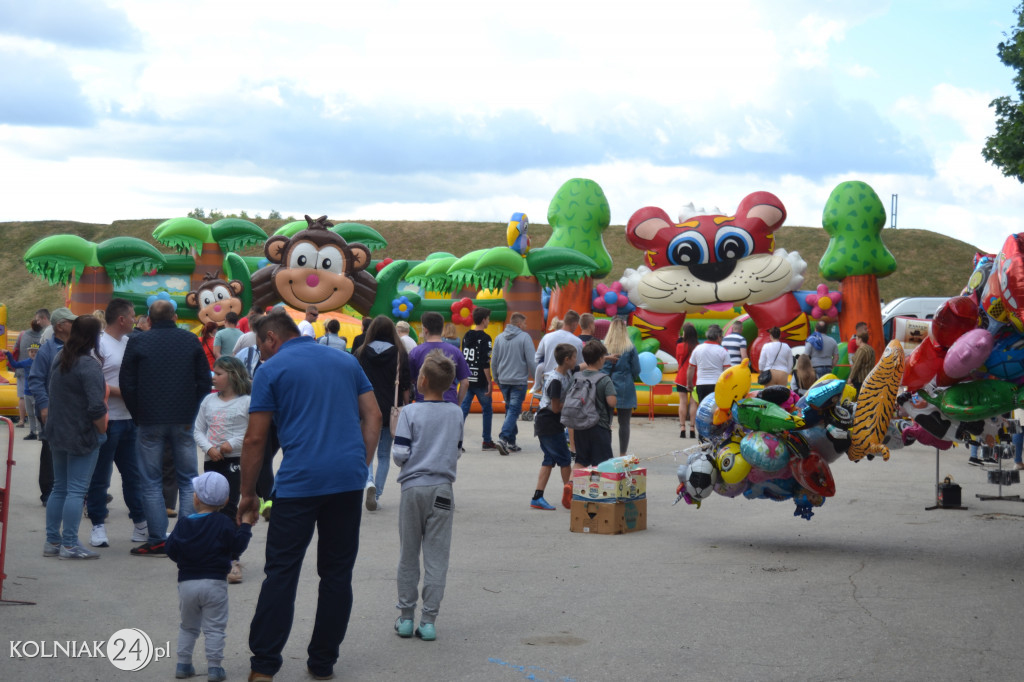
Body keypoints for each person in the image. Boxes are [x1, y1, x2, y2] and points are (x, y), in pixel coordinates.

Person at [237, 310, 382, 681]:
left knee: (281, 573)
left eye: (261, 347)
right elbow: (375, 416)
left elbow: (255, 438)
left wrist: (248, 494)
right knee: (336, 574)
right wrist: (358, 464)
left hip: (299, 484)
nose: (261, 355)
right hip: (346, 482)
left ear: (271, 338)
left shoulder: (271, 370)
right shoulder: (346, 360)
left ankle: (264, 667)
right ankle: (322, 662)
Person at [120, 299, 212, 557]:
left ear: (149, 318)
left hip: (149, 419)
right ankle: (184, 536)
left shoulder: (138, 342)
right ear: (174, 317)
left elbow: (127, 383)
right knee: (188, 478)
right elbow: (204, 380)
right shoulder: (190, 340)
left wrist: (138, 413)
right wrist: (195, 411)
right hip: (184, 418)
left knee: (150, 481)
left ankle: (158, 538)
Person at [391, 350, 463, 642]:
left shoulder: (409, 412)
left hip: (412, 489)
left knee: (409, 554)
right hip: (443, 490)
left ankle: (406, 618)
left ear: (421, 380)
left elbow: (399, 454)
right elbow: (456, 450)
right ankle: (429, 620)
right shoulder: (455, 412)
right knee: (437, 557)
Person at [166, 471, 254, 682]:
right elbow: (237, 547)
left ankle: (183, 664)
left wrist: (185, 561)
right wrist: (246, 526)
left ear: (195, 498)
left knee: (188, 626)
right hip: (215, 583)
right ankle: (214, 668)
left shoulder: (184, 523)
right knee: (214, 627)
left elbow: (170, 549)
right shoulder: (224, 523)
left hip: (187, 584)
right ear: (225, 500)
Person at [42, 315, 108, 560]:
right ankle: (69, 543)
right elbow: (96, 406)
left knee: (59, 487)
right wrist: (102, 430)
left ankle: (52, 541)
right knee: (76, 491)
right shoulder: (88, 364)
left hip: (57, 431)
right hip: (81, 434)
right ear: (94, 336)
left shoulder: (61, 357)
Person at [86, 298, 148, 550]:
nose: (135, 319)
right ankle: (98, 525)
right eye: (132, 315)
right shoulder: (98, 344)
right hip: (106, 421)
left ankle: (141, 523)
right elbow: (93, 382)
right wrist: (124, 392)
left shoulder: (128, 343)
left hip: (130, 421)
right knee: (100, 477)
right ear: (121, 319)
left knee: (134, 476)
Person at [194, 355, 251, 584]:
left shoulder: (246, 401)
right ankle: (212, 553)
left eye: (218, 374)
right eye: (213, 373)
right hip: (212, 461)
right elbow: (198, 430)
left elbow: (251, 431)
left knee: (228, 508)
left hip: (235, 461)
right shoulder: (208, 401)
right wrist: (209, 448)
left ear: (233, 375)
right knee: (208, 507)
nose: (213, 378)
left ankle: (232, 559)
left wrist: (231, 444)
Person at [356, 315, 412, 511]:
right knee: (384, 454)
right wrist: (408, 407)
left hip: (365, 408)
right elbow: (405, 384)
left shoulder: (361, 352)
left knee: (367, 450)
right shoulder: (399, 354)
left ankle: (368, 482)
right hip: (391, 409)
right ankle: (377, 494)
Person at [28, 306, 77, 506]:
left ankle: (79, 491)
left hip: (74, 410)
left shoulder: (78, 347)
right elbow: (36, 379)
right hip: (51, 409)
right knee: (50, 449)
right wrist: (44, 406)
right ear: (60, 326)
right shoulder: (47, 350)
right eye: (71, 322)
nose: (75, 325)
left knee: (76, 450)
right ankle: (48, 491)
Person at [530, 343, 577, 511]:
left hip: (549, 424)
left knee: (549, 460)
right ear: (567, 360)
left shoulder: (566, 371)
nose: (576, 361)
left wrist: (604, 358)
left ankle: (537, 497)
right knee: (565, 459)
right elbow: (556, 408)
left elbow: (582, 366)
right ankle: (570, 496)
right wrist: (573, 402)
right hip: (548, 423)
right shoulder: (555, 381)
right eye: (574, 357)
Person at [490, 312, 537, 456]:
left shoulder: (499, 338)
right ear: (518, 324)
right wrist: (537, 380)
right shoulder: (524, 337)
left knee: (510, 409)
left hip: (503, 380)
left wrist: (497, 378)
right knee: (514, 410)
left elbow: (494, 361)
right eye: (524, 324)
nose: (526, 326)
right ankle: (503, 438)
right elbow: (531, 360)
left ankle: (511, 442)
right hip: (518, 381)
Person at [569, 340, 617, 468]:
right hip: (599, 426)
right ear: (601, 359)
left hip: (580, 425)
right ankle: (598, 487)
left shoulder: (576, 377)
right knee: (602, 463)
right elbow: (611, 402)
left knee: (581, 460)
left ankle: (572, 484)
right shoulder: (605, 379)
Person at [408, 312, 470, 405]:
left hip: (423, 403)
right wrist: (458, 403)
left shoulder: (415, 352)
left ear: (425, 330)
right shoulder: (455, 351)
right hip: (449, 402)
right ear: (441, 329)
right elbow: (465, 383)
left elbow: (410, 381)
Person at [601, 318, 640, 456]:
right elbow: (636, 369)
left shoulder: (603, 346)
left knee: (606, 423)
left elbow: (600, 368)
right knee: (624, 423)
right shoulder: (630, 347)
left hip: (606, 385)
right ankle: (622, 453)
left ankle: (606, 451)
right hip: (625, 386)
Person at [460, 307, 496, 450]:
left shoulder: (466, 335)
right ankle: (486, 440)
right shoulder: (485, 338)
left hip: (468, 378)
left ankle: (457, 441)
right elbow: (484, 362)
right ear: (483, 320)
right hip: (480, 380)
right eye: (488, 318)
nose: (489, 321)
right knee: (487, 409)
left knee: (463, 410)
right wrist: (489, 381)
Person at [12, 308, 47, 435]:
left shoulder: (22, 334)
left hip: (22, 369)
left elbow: (15, 348)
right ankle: (38, 426)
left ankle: (21, 420)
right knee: (36, 399)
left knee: (22, 396)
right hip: (36, 371)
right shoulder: (42, 337)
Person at [534, 309, 584, 387]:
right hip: (567, 381)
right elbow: (579, 364)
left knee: (546, 399)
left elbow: (537, 358)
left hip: (548, 379)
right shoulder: (578, 342)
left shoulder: (547, 337)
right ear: (574, 324)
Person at [686, 324, 731, 404]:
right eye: (722, 337)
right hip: (717, 384)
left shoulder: (698, 349)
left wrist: (689, 383)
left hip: (701, 384)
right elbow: (726, 372)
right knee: (716, 409)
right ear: (718, 337)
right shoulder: (723, 351)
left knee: (703, 410)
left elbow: (691, 368)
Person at [6, 342, 39, 440]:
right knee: (30, 414)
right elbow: (14, 364)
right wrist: (8, 354)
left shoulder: (41, 363)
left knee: (37, 414)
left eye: (36, 352)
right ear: (28, 352)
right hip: (27, 392)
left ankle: (41, 433)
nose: (33, 353)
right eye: (31, 351)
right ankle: (33, 432)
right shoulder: (27, 362)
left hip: (37, 393)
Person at [675, 323, 699, 439]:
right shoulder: (699, 347)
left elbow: (679, 361)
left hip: (681, 377)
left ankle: (682, 428)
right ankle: (692, 428)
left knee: (682, 402)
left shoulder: (680, 346)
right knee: (694, 403)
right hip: (696, 378)